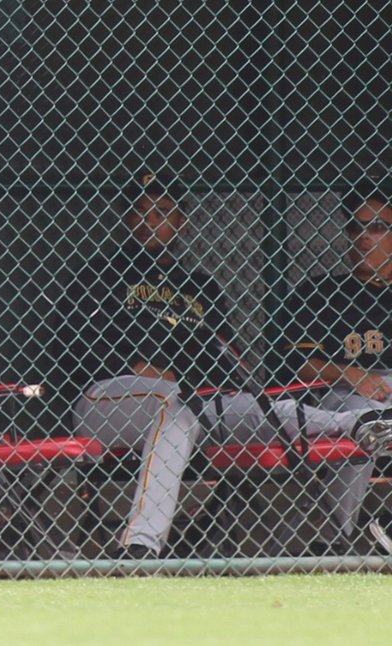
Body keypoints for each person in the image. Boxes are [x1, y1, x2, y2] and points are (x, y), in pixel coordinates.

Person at [69, 175, 392, 559]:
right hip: (113, 400)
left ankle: (362, 425)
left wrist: (200, 383)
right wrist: (137, 366)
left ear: (181, 222)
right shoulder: (98, 276)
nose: (149, 221)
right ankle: (141, 545)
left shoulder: (201, 287)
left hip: (192, 403)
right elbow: (74, 351)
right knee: (171, 402)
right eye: (141, 212)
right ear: (127, 221)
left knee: (260, 410)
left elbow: (225, 364)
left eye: (162, 212)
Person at [273, 194, 392, 552]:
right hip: (343, 395)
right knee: (365, 417)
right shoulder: (322, 292)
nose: (364, 236)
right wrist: (353, 375)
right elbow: (302, 364)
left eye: (377, 227)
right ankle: (334, 539)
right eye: (357, 227)